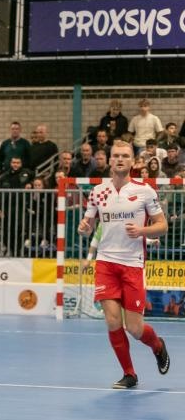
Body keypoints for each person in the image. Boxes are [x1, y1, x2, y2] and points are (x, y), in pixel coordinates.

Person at [77, 141, 170, 389]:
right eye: (116, 155)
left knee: (135, 328)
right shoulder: (98, 192)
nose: (120, 159)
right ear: (110, 160)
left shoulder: (145, 191)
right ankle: (129, 374)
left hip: (132, 264)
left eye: (125, 156)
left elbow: (162, 226)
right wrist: (83, 228)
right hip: (106, 263)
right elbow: (87, 227)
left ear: (132, 161)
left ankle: (158, 345)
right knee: (112, 321)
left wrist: (141, 230)